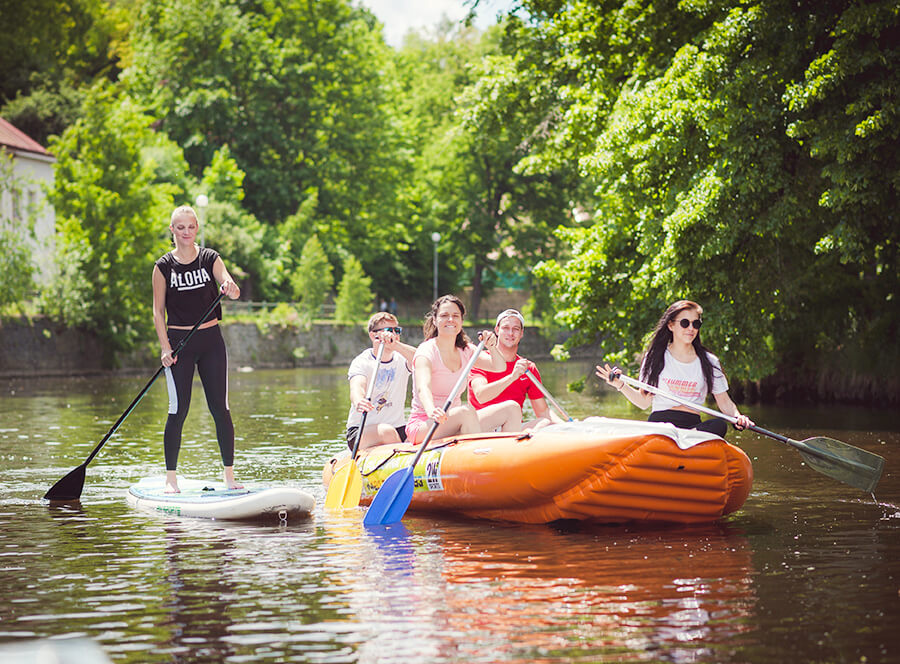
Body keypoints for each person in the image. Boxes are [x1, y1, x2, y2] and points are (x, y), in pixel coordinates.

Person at [152, 205, 242, 493]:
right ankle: (170, 479)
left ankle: (228, 477)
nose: (186, 232)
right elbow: (157, 312)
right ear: (172, 230)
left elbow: (232, 286)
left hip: (211, 341)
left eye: (191, 227)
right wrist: (165, 348)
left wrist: (230, 285)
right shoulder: (163, 266)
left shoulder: (209, 258)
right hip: (180, 344)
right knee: (178, 410)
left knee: (221, 409)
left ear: (197, 228)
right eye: (180, 227)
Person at [595, 300, 753, 437]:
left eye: (695, 324)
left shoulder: (710, 361)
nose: (691, 328)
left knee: (719, 425)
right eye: (685, 323)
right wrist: (620, 385)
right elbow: (643, 402)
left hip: (693, 427)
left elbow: (724, 402)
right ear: (671, 325)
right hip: (661, 425)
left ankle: (683, 439)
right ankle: (672, 439)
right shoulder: (655, 357)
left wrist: (738, 417)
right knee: (664, 431)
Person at [406, 295, 522, 444]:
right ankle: (479, 456)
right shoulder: (426, 351)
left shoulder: (466, 350)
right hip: (426, 424)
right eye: (444, 315)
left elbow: (499, 367)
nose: (450, 320)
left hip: (457, 421)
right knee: (466, 412)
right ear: (435, 320)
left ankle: (508, 460)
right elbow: (423, 388)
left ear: (461, 320)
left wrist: (492, 346)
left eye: (455, 316)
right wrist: (431, 410)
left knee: (512, 408)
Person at [467, 308, 564, 427]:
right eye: (506, 328)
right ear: (497, 330)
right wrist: (512, 377)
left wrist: (567, 426)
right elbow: (481, 396)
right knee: (513, 409)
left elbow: (543, 411)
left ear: (521, 333)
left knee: (544, 423)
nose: (510, 333)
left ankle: (525, 441)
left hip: (511, 428)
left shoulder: (528, 368)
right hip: (483, 427)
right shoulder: (482, 360)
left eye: (515, 329)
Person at [346, 312, 416, 452]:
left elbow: (421, 359)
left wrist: (395, 345)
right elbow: (357, 387)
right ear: (373, 335)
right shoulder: (362, 361)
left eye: (397, 331)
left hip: (398, 428)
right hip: (362, 430)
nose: (394, 334)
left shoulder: (401, 358)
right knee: (386, 432)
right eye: (389, 331)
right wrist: (359, 400)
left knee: (416, 432)